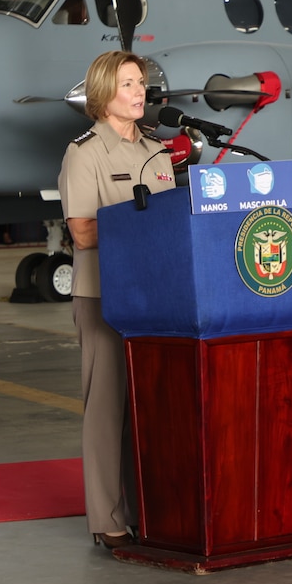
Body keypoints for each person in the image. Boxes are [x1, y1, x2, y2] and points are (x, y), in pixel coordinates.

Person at [57, 50, 176, 550]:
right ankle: (108, 519)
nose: (139, 91)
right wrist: (142, 230)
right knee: (107, 407)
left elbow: (173, 218)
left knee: (152, 407)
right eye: (128, 83)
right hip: (104, 294)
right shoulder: (84, 153)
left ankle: (149, 509)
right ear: (105, 94)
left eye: (142, 82)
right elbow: (83, 232)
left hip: (160, 296)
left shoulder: (159, 150)